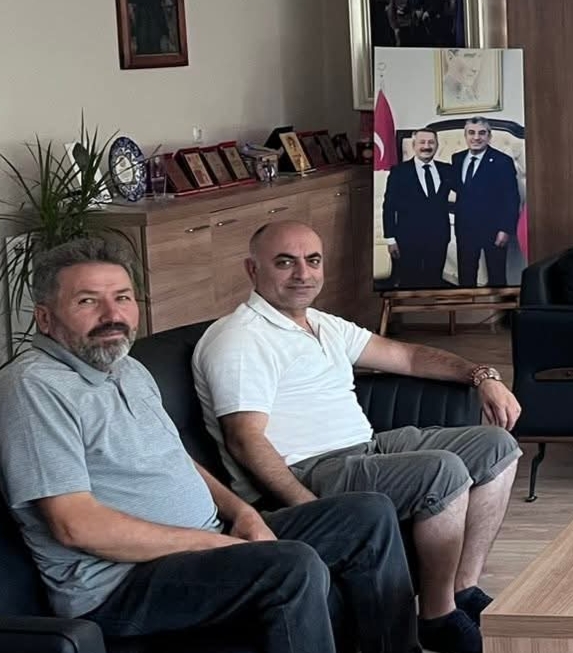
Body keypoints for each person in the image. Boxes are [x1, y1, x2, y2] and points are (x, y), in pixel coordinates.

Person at [0, 238, 416, 653]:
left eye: (122, 297)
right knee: (290, 568)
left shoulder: (127, 368)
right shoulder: (34, 387)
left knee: (368, 514)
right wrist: (216, 544)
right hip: (121, 584)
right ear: (45, 318)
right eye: (88, 301)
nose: (113, 315)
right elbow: (75, 525)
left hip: (202, 544)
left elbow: (176, 457)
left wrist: (243, 514)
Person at [193, 221, 523, 653]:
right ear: (252, 270)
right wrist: (309, 508)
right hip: (310, 469)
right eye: (285, 263)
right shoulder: (240, 339)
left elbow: (407, 356)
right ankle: (437, 616)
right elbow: (244, 439)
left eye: (312, 261)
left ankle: (463, 590)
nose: (303, 274)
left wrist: (483, 376)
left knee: (497, 446)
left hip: (365, 450)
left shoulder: (321, 324)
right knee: (441, 471)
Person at [383, 128, 456, 287]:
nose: (426, 146)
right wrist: (390, 239)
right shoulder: (399, 172)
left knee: (435, 281)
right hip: (408, 239)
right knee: (410, 282)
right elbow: (389, 207)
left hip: (439, 237)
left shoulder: (447, 170)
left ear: (437, 145)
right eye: (422, 142)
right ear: (414, 145)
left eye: (431, 142)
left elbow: (467, 191)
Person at [452, 117, 521, 286]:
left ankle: (499, 305)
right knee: (466, 277)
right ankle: (467, 304)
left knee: (497, 277)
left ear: (489, 136)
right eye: (471, 133)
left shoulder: (502, 161)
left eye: (482, 133)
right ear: (465, 136)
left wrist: (505, 229)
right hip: (465, 229)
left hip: (494, 229)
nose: (476, 138)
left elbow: (511, 198)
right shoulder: (457, 159)